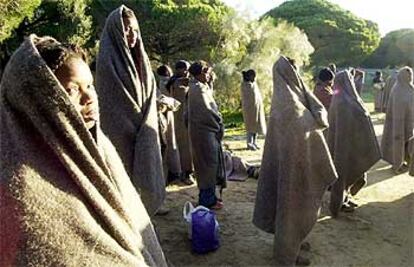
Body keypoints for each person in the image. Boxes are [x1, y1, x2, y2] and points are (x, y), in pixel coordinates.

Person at [0, 35, 167, 266]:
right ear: (37, 100)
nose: (90, 98)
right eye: (71, 90)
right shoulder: (21, 183)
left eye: (89, 85)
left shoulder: (101, 148)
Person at [253, 56, 337, 266]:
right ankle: (287, 255)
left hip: (296, 166)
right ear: (289, 73)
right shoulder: (290, 105)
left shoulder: (290, 97)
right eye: (295, 69)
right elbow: (304, 128)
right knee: (291, 210)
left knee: (290, 209)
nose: (298, 72)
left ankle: (293, 243)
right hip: (295, 170)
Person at [95, 6, 165, 215]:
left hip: (144, 131)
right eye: (126, 30)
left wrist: (147, 124)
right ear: (116, 32)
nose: (132, 35)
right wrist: (135, 124)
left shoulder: (141, 62)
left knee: (145, 180)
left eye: (135, 30)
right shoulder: (107, 63)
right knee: (122, 185)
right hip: (120, 135)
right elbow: (114, 101)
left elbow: (149, 94)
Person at [327, 70, 381, 216]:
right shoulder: (345, 101)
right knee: (343, 171)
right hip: (346, 145)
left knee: (342, 172)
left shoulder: (338, 99)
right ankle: (339, 203)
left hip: (343, 143)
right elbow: (362, 115)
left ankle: (343, 198)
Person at [188, 60, 226, 210]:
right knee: (208, 166)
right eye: (208, 73)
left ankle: (209, 196)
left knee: (207, 165)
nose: (210, 76)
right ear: (202, 72)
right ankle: (207, 200)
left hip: (201, 133)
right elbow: (208, 111)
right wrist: (219, 123)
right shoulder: (198, 90)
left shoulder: (197, 87)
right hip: (205, 133)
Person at [381, 66, 414, 174]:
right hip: (397, 121)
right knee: (398, 141)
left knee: (408, 142)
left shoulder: (410, 88)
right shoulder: (397, 89)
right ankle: (397, 164)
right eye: (408, 75)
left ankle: (407, 161)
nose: (409, 77)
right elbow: (396, 108)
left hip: (409, 121)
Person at [168, 60, 194, 185]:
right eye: (186, 69)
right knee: (184, 149)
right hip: (179, 121)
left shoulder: (182, 82)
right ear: (179, 70)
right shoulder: (176, 83)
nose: (187, 72)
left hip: (184, 121)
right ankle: (185, 173)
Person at [241, 69, 267, 150]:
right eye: (253, 76)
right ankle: (249, 143)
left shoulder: (253, 84)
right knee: (250, 128)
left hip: (256, 110)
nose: (254, 78)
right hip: (249, 110)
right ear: (249, 76)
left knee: (255, 127)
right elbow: (248, 98)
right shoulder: (245, 85)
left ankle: (254, 142)